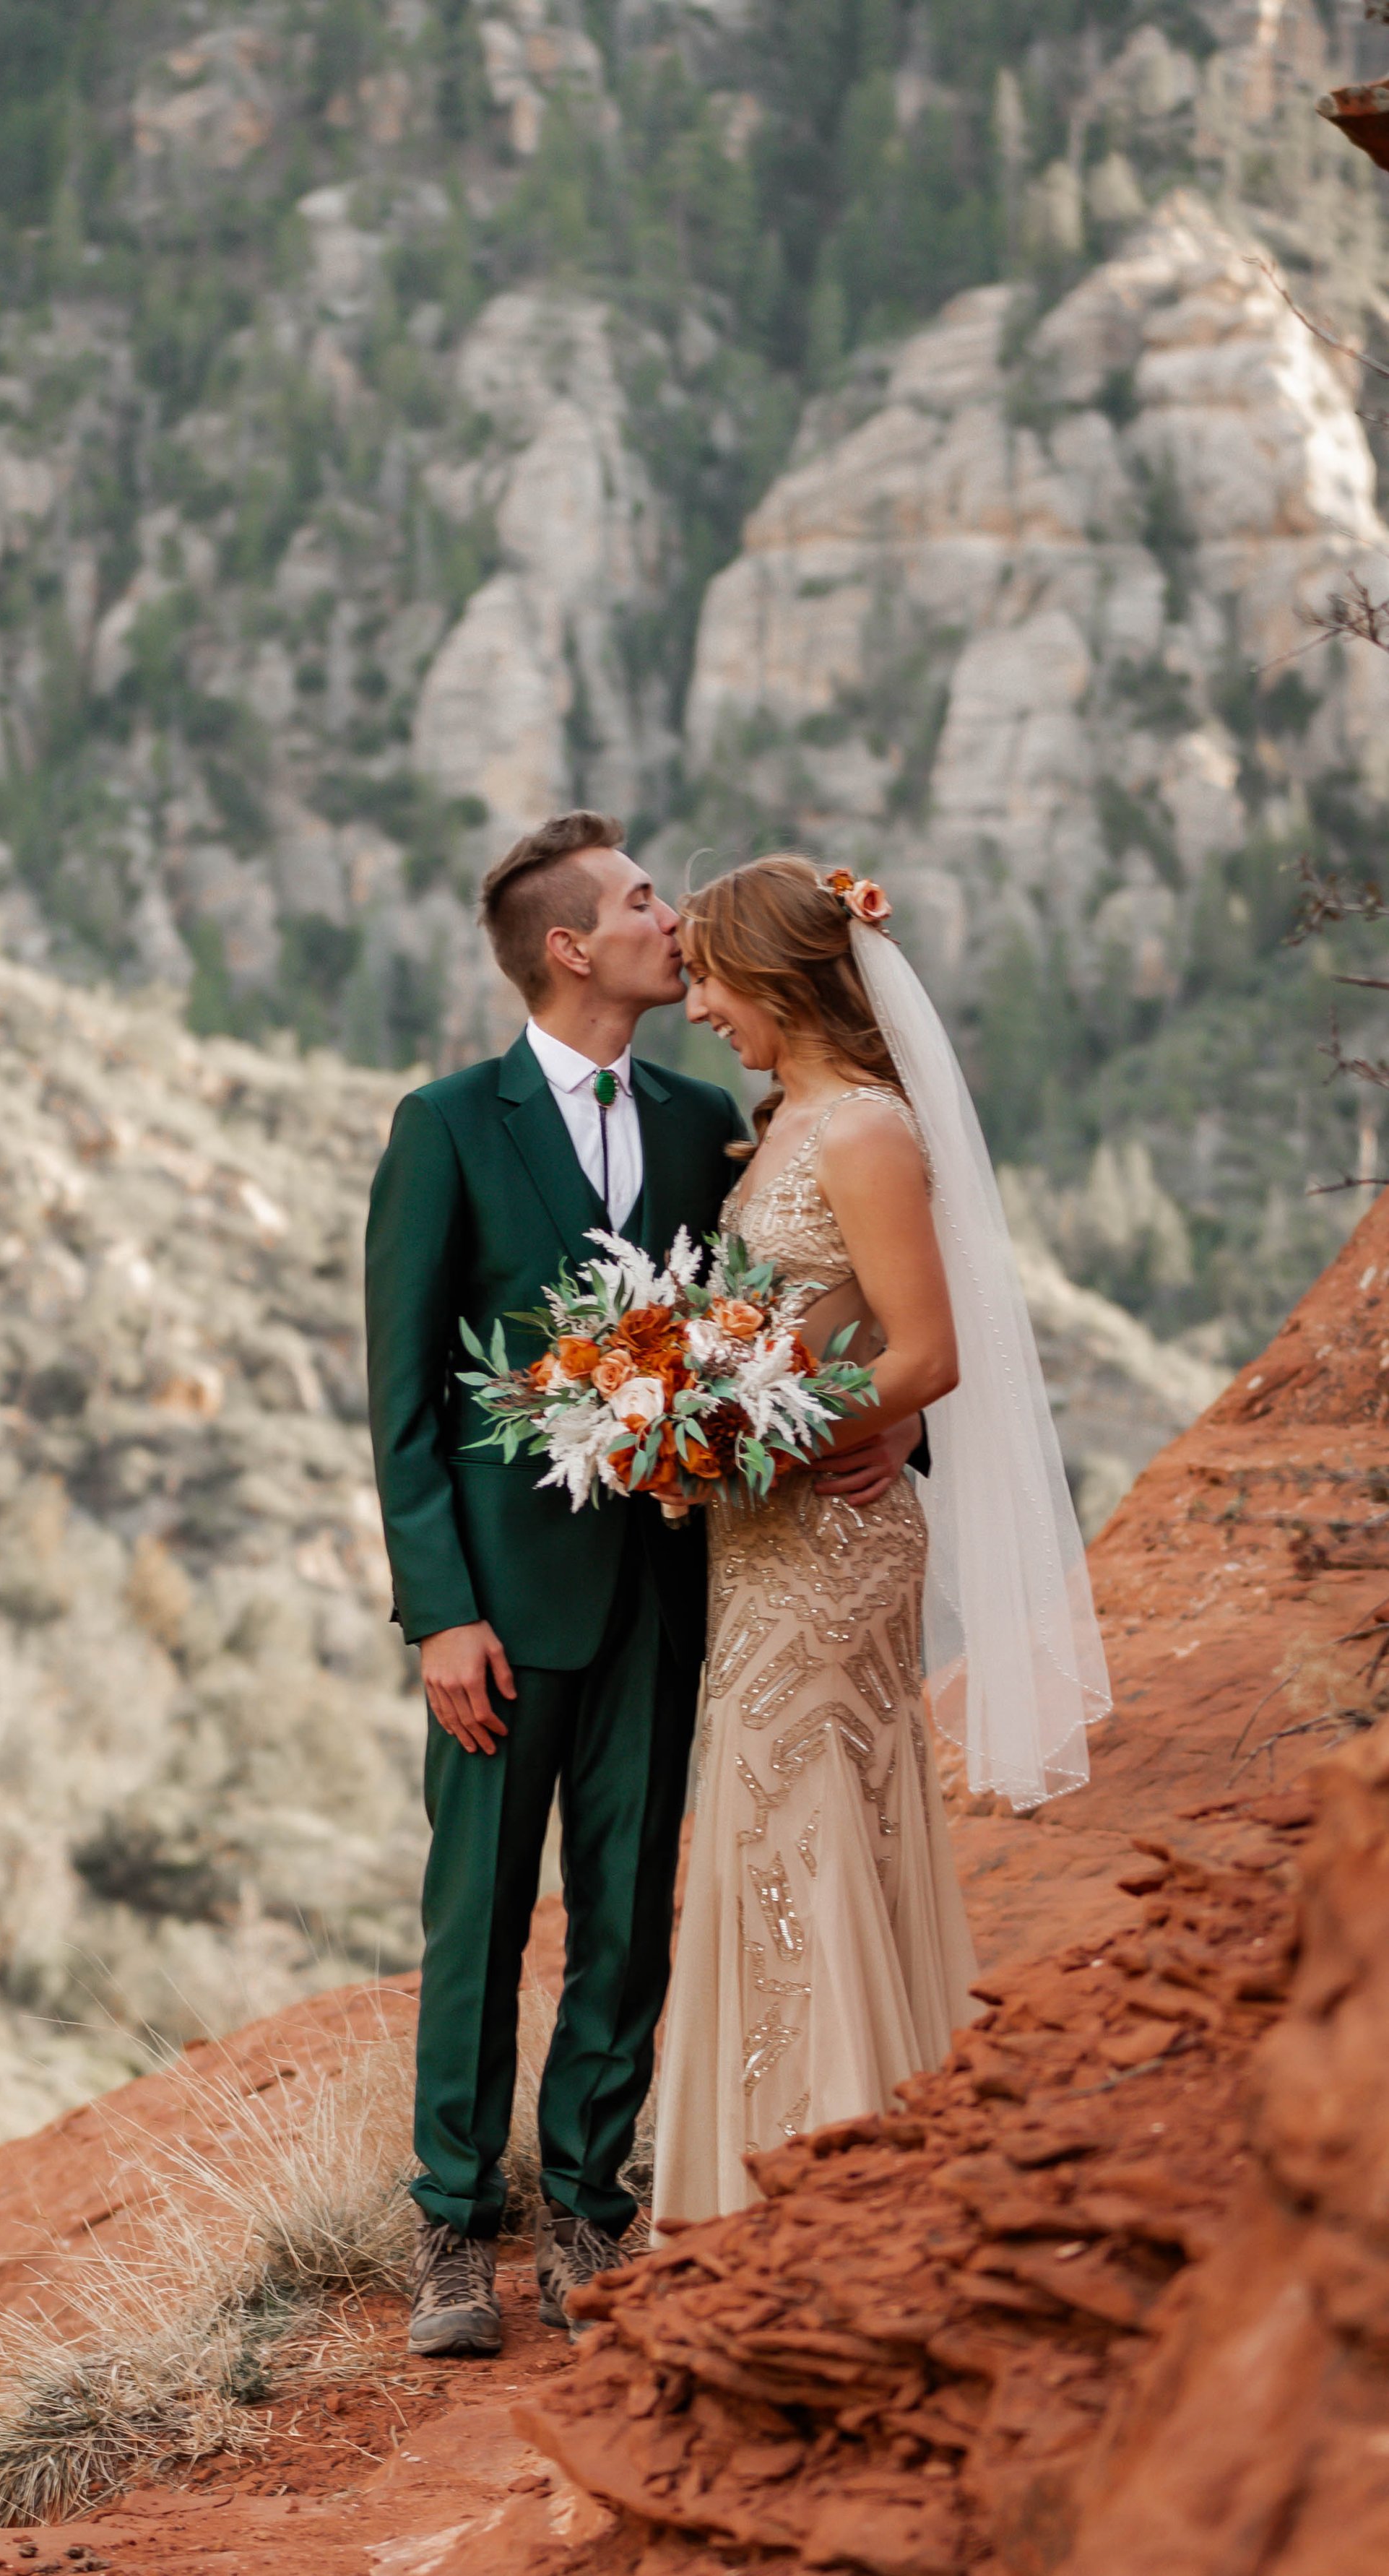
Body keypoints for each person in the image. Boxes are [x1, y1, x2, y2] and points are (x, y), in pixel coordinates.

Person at [365, 815, 921, 2354]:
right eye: (636, 902)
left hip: (683, 1588)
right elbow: (402, 1394)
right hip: (500, 1606)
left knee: (629, 1906)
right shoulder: (446, 1124)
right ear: (567, 948)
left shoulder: (703, 1124)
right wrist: (437, 1613)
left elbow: (831, 1294)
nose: (667, 921)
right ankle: (453, 2230)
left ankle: (590, 2209)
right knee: (478, 1910)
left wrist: (904, 1413)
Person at [652, 856, 1109, 2222]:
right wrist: (686, 1421)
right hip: (760, 1541)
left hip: (834, 1539)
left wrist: (750, 1430)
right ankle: (793, 2139)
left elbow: (926, 1352)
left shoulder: (863, 1131)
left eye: (710, 980)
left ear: (778, 977)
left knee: (806, 1817)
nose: (698, 1011)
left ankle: (825, 2169)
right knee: (765, 1818)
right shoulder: (789, 1120)